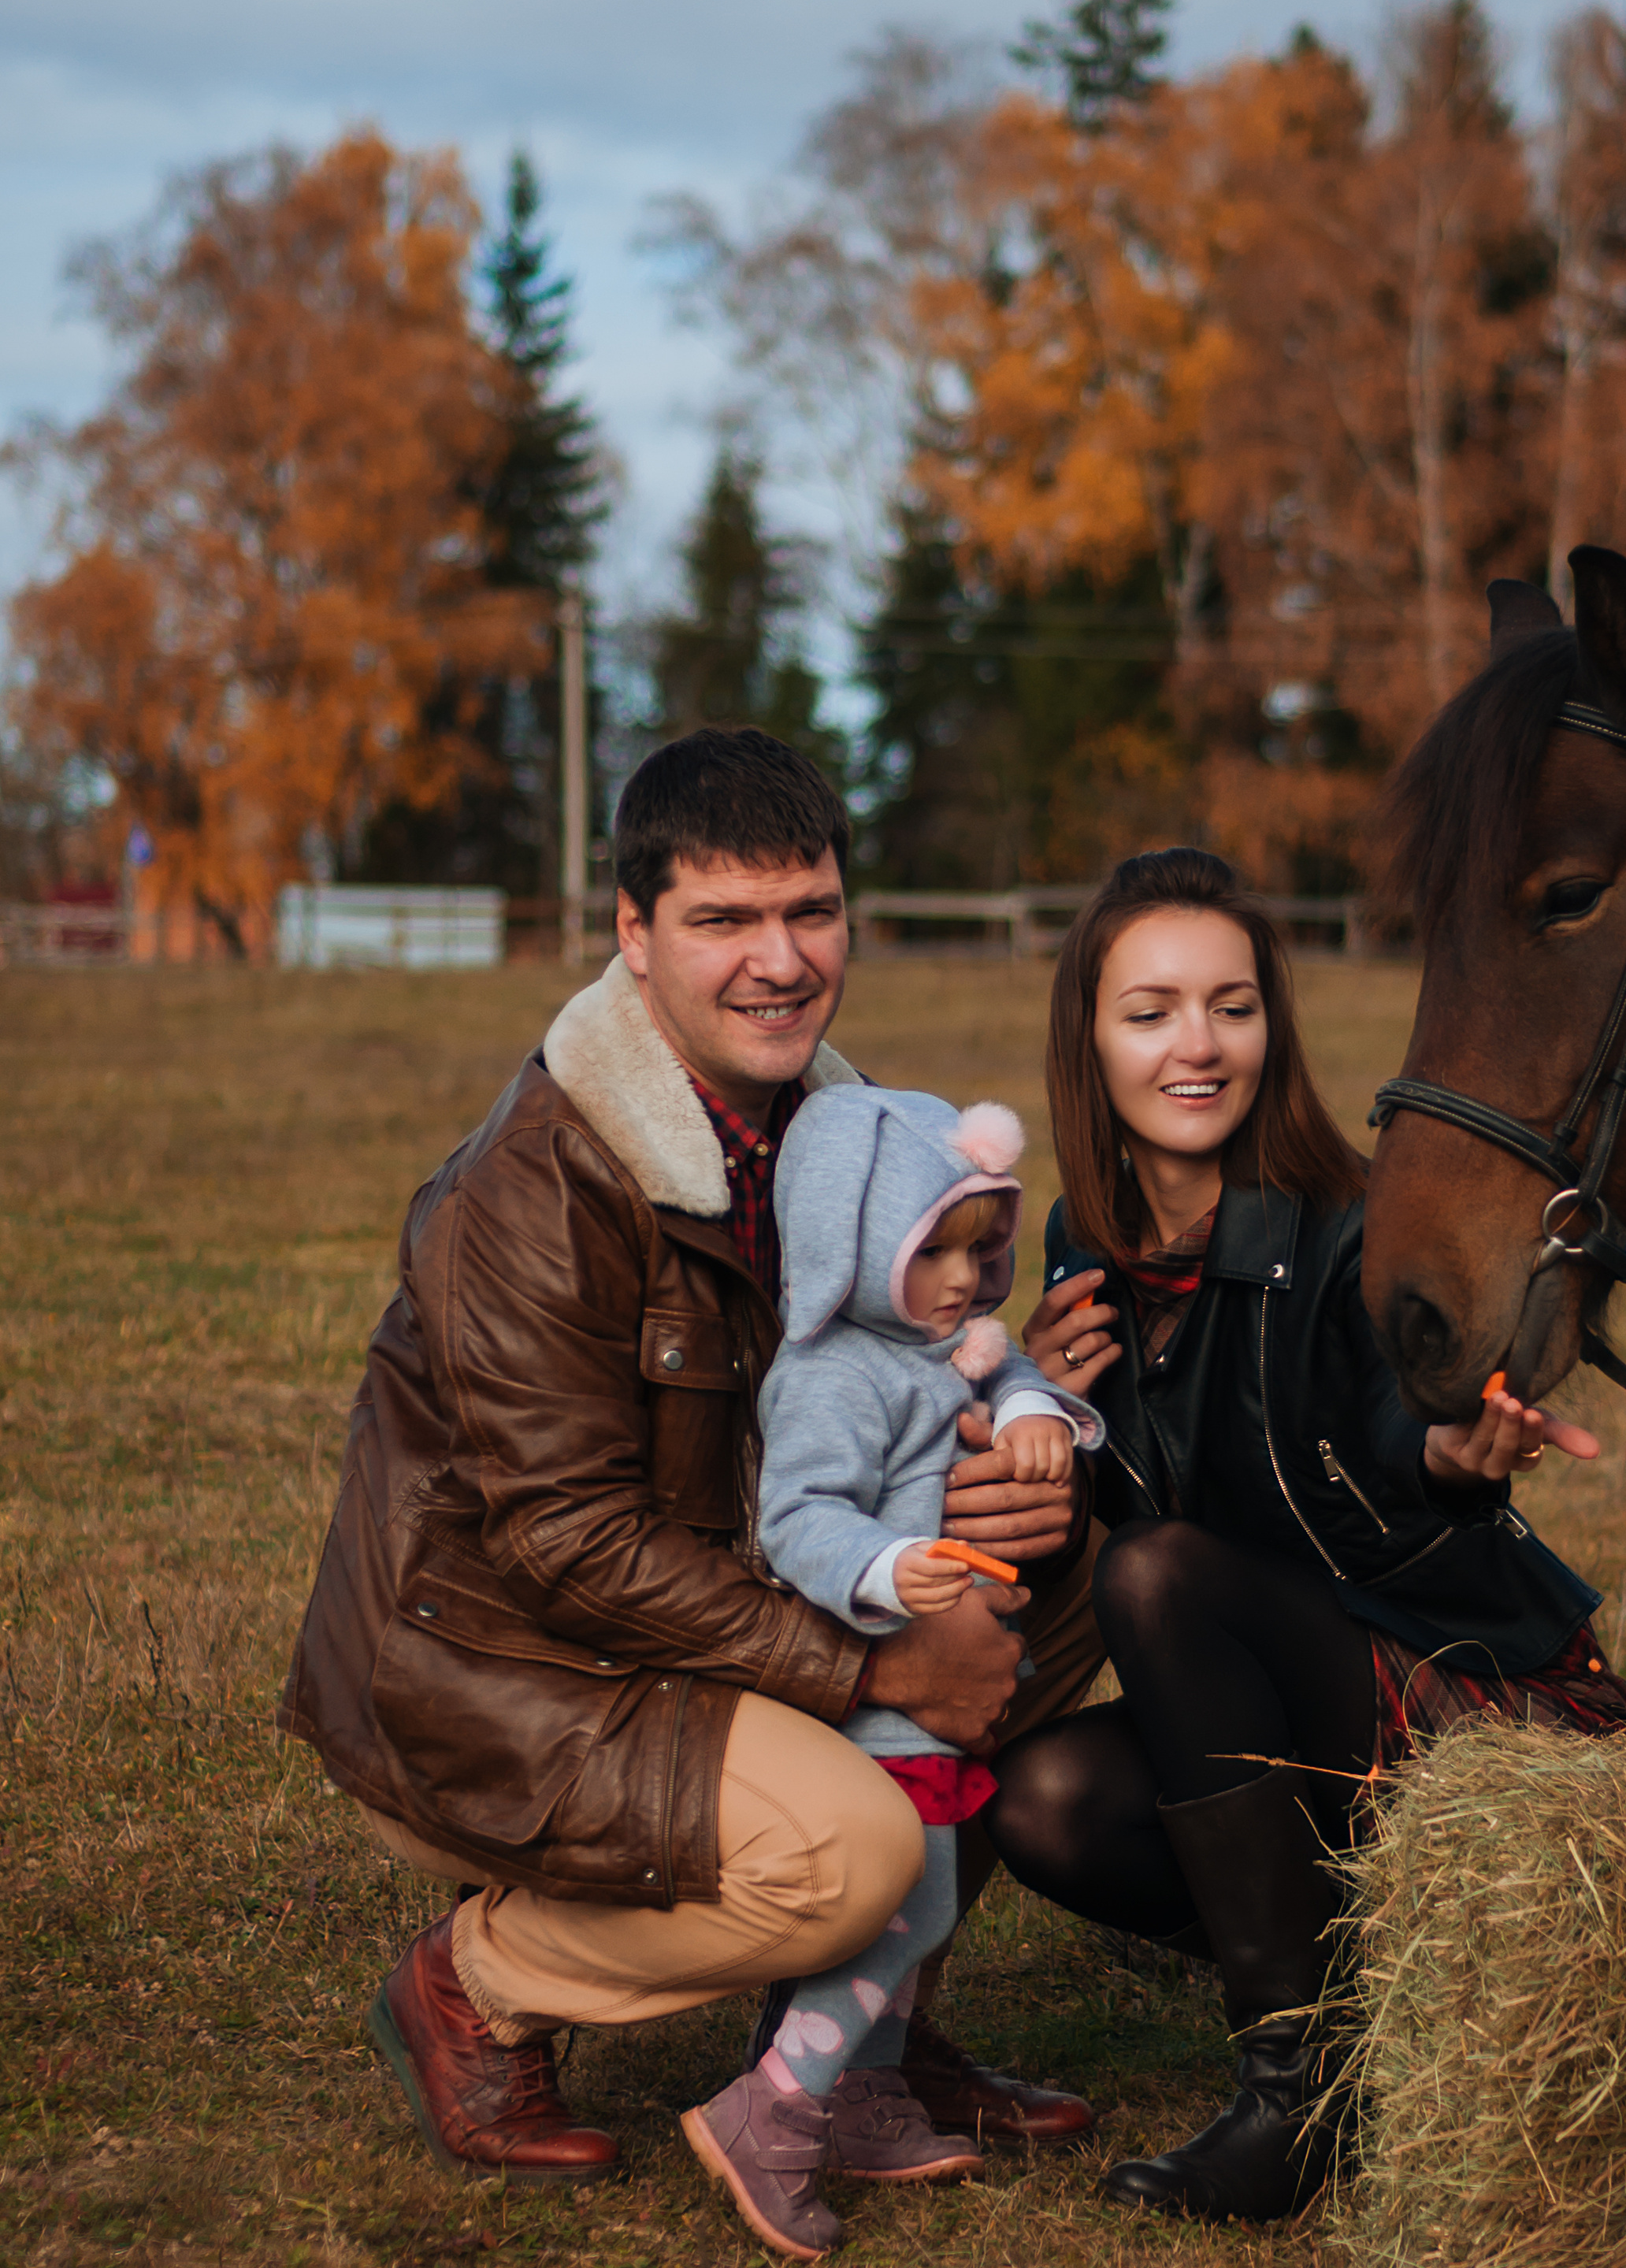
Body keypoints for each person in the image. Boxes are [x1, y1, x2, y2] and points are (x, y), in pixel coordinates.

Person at [281, 728, 1097, 2188]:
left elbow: (859, 1391)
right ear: (634, 932)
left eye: (811, 911)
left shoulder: (841, 1131)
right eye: (725, 918)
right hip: (508, 1666)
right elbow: (569, 1546)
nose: (780, 961)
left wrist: (990, 1459)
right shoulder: (528, 1191)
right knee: (851, 1848)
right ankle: (476, 1982)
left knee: (1055, 1584)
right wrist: (875, 1669)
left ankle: (859, 2038)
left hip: (715, 1599)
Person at [989, 846, 1626, 2226]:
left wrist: (1455, 1452)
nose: (1199, 1044)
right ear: (1088, 1039)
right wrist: (1040, 1404)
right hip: (1288, 1714)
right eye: (1152, 1010)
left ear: (1272, 1027)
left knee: (1155, 1576)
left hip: (1463, 1695)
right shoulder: (1082, 1244)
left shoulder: (1352, 1225)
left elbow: (1403, 1428)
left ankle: (1294, 2088)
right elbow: (1084, 1535)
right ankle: (1363, 2000)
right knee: (1042, 1797)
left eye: (1232, 1006)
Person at [681, 1088, 1102, 2258]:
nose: (966, 1280)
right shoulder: (831, 1377)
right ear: (852, 1248)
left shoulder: (939, 1345)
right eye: (935, 1253)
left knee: (930, 1893)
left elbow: (1005, 1373)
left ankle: (866, 2093)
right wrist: (887, 1566)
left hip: (943, 1704)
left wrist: (1033, 1411)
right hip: (882, 1693)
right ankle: (777, 2101)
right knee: (912, 1904)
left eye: (982, 1248)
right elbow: (797, 1519)